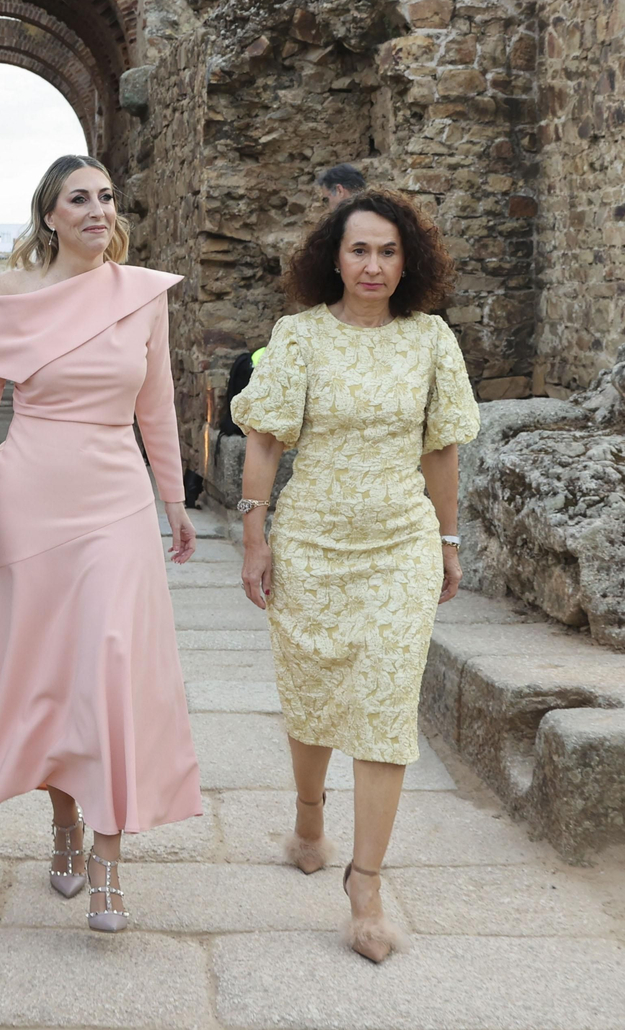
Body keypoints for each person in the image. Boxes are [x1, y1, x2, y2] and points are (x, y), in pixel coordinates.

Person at [0, 154, 201, 934]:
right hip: (30, 494)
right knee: (54, 672)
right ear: (49, 214)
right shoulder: (9, 294)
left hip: (115, 492)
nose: (97, 210)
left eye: (106, 197)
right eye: (79, 198)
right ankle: (63, 820)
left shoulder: (143, 294)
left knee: (109, 665)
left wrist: (175, 500)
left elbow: (158, 404)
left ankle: (109, 856)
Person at [231, 189, 479, 964]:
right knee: (311, 694)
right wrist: (253, 533)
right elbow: (266, 441)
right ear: (333, 258)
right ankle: (309, 817)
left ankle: (364, 885)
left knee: (385, 705)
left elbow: (442, 449)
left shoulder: (432, 339)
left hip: (400, 541)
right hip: (311, 538)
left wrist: (447, 539)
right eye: (359, 249)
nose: (374, 265)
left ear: (410, 261)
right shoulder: (298, 337)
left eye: (388, 251)